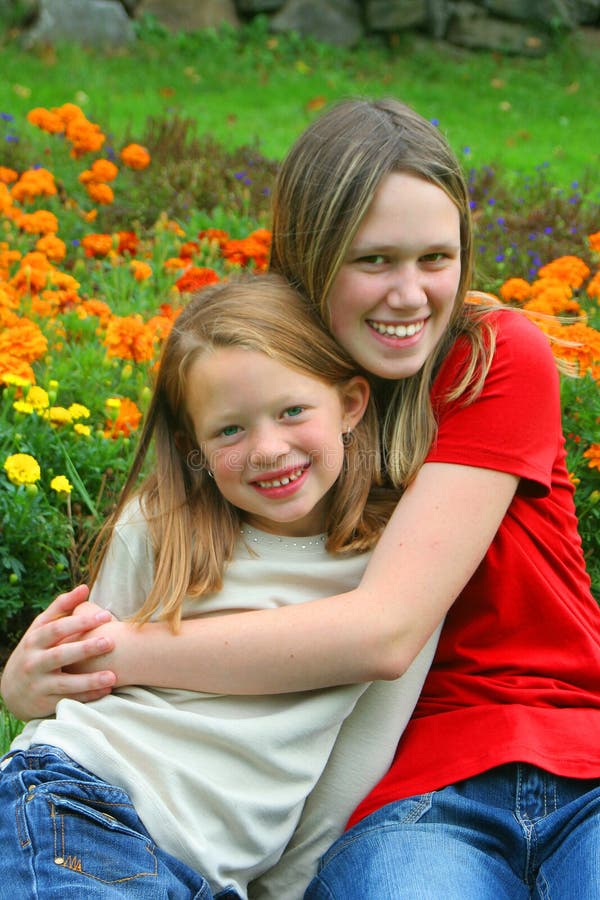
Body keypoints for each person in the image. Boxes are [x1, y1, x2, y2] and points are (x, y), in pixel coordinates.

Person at [4, 96, 600, 897]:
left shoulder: (488, 358)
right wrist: (38, 684)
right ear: (312, 257)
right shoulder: (270, 408)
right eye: (374, 260)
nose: (411, 294)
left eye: (437, 258)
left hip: (570, 745)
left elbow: (383, 634)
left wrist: (111, 656)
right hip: (406, 790)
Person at [0, 273, 441, 898]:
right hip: (81, 806)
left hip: (206, 875)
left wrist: (285, 889)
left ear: (350, 403)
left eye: (292, 411)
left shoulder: (396, 564)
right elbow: (81, 676)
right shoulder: (159, 530)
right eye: (230, 430)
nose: (267, 449)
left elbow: (358, 758)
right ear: (194, 448)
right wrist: (21, 690)